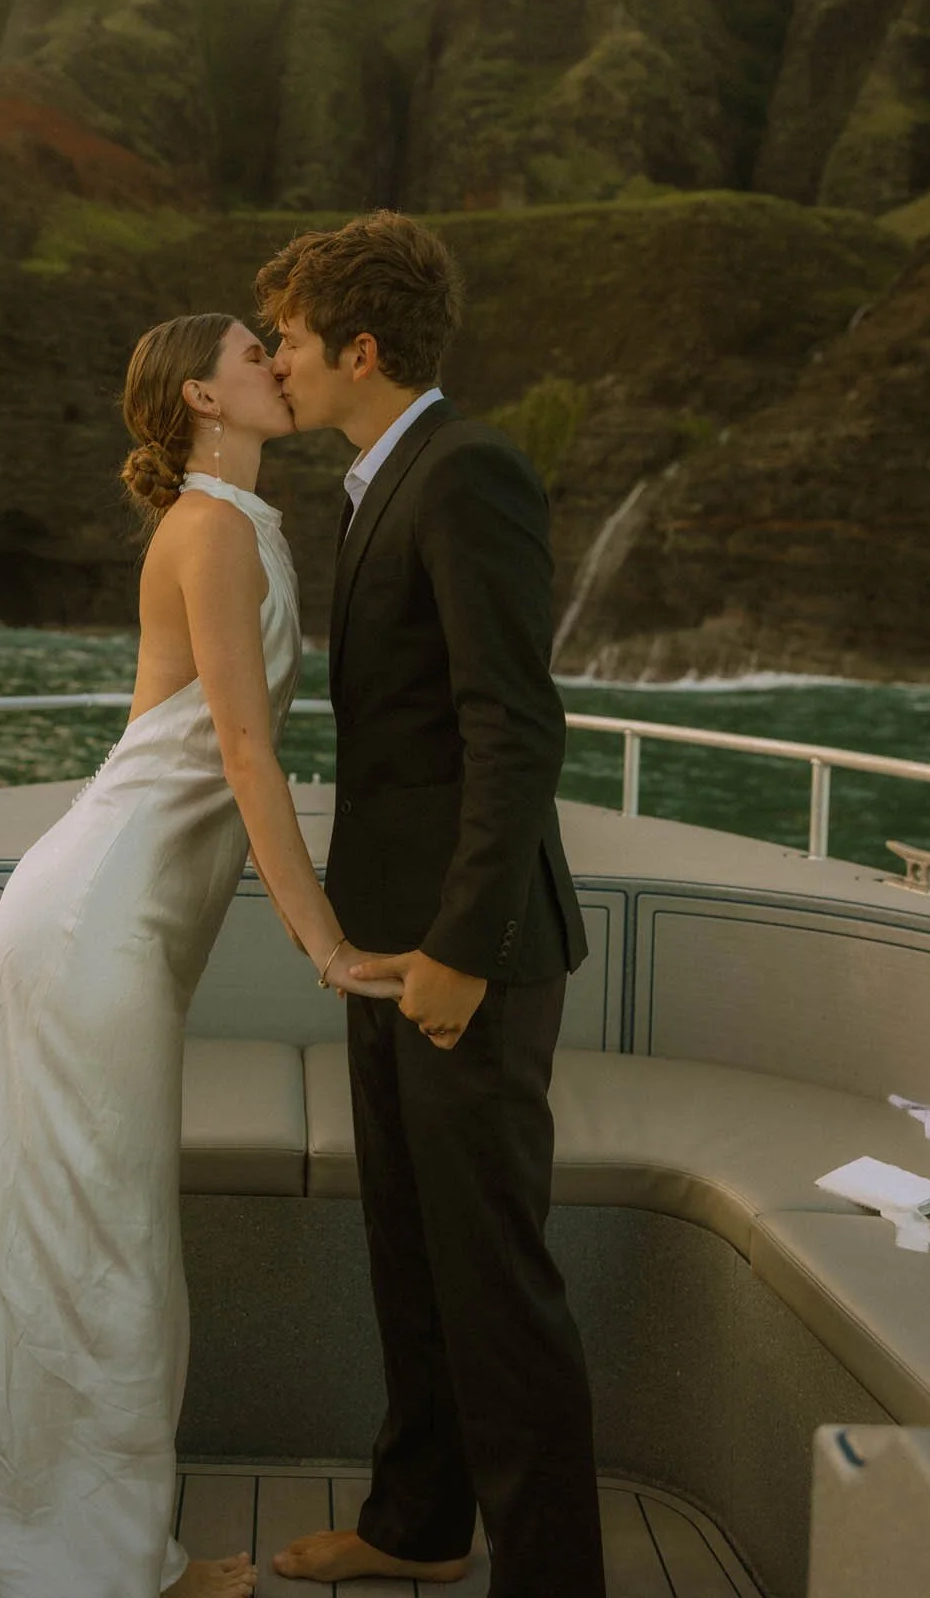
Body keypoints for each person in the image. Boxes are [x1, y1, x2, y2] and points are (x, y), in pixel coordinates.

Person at [0, 312, 398, 1598]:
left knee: (86, 1239)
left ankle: (70, 1546)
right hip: (94, 920)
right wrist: (327, 943)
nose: (275, 364)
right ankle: (108, 1569)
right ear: (201, 397)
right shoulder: (209, 528)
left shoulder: (240, 522)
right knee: (101, 1249)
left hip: (120, 917)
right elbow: (243, 751)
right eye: (252, 353)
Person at [258, 212, 607, 1598]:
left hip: (471, 954)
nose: (275, 361)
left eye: (288, 338)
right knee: (411, 1258)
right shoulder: (373, 484)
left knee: (495, 1285)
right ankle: (418, 1524)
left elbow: (516, 728)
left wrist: (460, 950)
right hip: (388, 945)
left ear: (359, 348)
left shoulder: (467, 471)